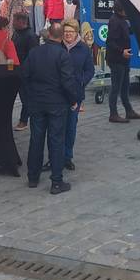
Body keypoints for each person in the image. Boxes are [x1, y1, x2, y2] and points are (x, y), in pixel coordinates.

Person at [21, 23, 74, 194]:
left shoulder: (35, 52)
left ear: (48, 34)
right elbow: (67, 81)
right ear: (60, 36)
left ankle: (33, 177)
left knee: (36, 139)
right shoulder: (62, 55)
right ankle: (56, 181)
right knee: (56, 140)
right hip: (57, 103)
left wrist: (30, 97)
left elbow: (24, 76)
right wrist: (73, 99)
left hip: (37, 102)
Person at [59, 20, 93, 171]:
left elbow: (89, 70)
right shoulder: (57, 46)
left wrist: (81, 82)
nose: (68, 34)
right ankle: (56, 156)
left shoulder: (83, 49)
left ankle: (67, 156)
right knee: (57, 127)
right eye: (65, 31)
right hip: (58, 94)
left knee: (71, 127)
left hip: (75, 94)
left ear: (76, 33)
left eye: (71, 32)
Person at [105, 3, 140, 123]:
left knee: (125, 85)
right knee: (116, 86)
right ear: (121, 10)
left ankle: (129, 110)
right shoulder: (115, 21)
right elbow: (110, 41)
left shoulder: (122, 20)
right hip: (117, 59)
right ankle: (113, 113)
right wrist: (122, 51)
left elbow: (127, 31)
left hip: (124, 58)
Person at [11, 12, 39, 131]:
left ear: (21, 22)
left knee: (26, 98)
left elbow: (33, 56)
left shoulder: (30, 36)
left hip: (25, 72)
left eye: (15, 20)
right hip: (15, 69)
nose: (12, 23)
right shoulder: (16, 33)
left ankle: (24, 120)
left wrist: (27, 72)